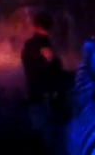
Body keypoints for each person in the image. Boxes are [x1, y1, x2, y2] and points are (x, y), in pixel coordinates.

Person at [21, 10, 67, 145]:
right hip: (46, 96)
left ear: (35, 26)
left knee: (39, 133)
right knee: (50, 134)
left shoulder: (29, 45)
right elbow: (53, 69)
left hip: (35, 94)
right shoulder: (44, 46)